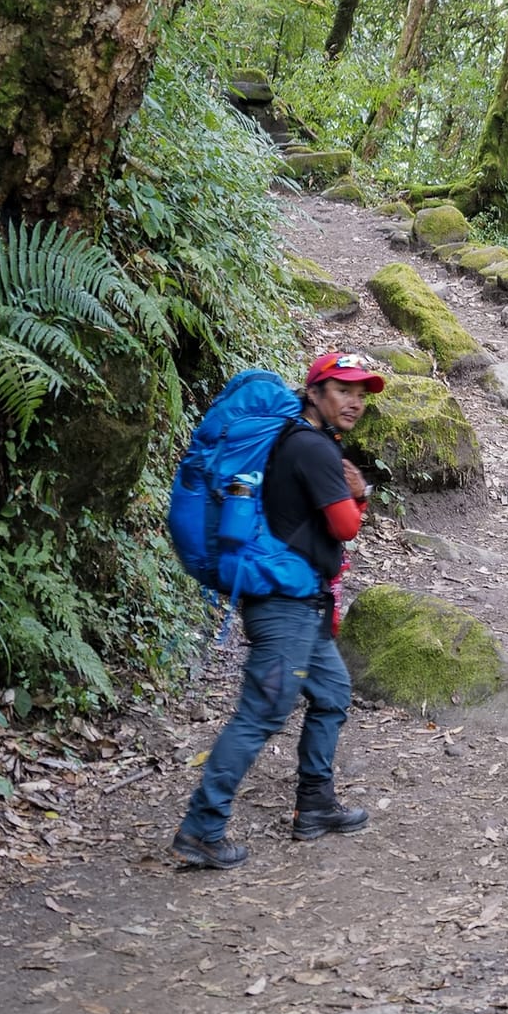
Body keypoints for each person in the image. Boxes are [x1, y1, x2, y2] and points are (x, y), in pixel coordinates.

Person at [171, 351, 386, 870]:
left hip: (301, 603)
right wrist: (360, 494)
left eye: (361, 393)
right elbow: (345, 528)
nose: (354, 401)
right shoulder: (312, 449)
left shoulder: (304, 441)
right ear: (314, 393)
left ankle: (314, 806)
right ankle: (202, 828)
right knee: (262, 713)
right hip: (283, 608)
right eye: (342, 390)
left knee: (332, 694)